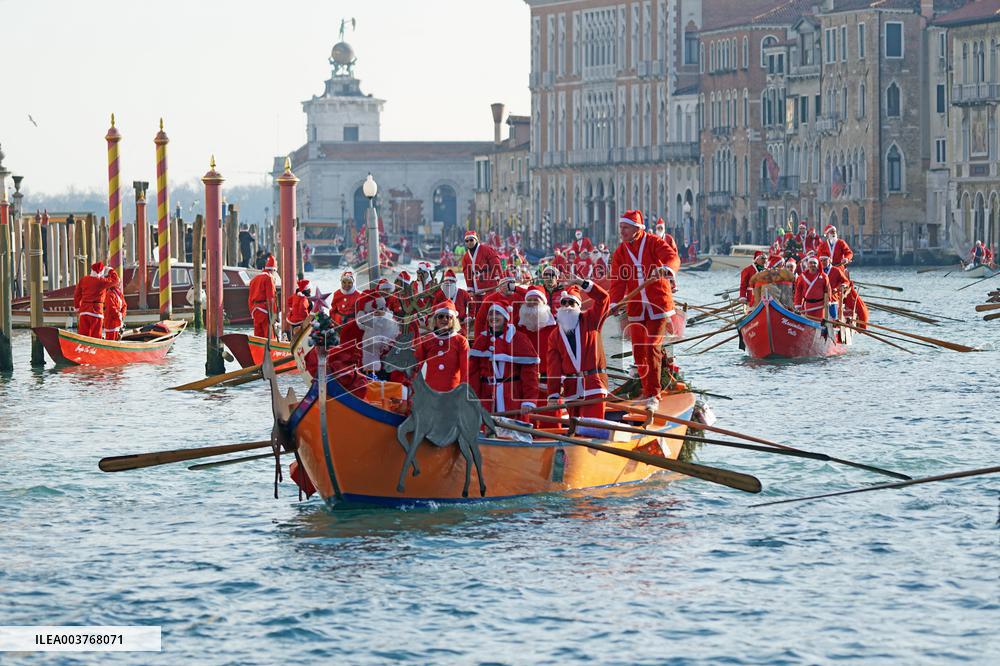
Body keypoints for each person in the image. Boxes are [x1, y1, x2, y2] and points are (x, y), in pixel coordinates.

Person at [608, 209, 681, 410]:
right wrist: (614, 302)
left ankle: (653, 394)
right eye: (620, 227)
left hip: (658, 305)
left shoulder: (653, 242)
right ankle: (648, 385)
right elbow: (617, 281)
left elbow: (672, 257)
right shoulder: (620, 252)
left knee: (651, 346)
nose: (621, 231)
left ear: (637, 228)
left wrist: (667, 269)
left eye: (625, 227)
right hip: (636, 307)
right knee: (639, 351)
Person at [546, 280, 610, 420]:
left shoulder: (591, 320)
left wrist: (582, 283)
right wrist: (553, 394)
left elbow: (603, 298)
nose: (567, 306)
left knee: (592, 426)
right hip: (572, 389)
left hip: (594, 384)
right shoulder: (555, 335)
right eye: (564, 303)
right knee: (575, 429)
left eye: (571, 302)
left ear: (579, 306)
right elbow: (553, 368)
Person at [469, 303, 539, 415]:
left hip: (512, 396)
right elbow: (473, 375)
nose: (493, 317)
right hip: (486, 398)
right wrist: (472, 400)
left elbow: (529, 375)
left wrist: (528, 400)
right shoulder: (481, 340)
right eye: (491, 314)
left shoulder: (519, 339)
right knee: (487, 425)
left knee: (512, 425)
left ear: (505, 317)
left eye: (498, 313)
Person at [414, 298, 469, 392]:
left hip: (453, 393)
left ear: (453, 320)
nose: (445, 319)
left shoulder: (461, 341)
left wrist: (463, 392)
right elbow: (416, 366)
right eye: (441, 316)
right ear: (435, 319)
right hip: (430, 392)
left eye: (449, 317)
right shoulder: (427, 340)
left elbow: (466, 371)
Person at [516, 286, 557, 392]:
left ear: (543, 303)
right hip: (524, 380)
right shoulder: (517, 326)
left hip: (549, 380)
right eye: (529, 300)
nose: (532, 303)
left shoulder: (555, 327)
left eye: (536, 300)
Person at [460, 229, 503, 319]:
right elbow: (467, 274)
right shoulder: (465, 257)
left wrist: (500, 279)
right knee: (478, 311)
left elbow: (496, 264)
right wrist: (470, 289)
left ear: (476, 240)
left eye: (471, 240)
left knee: (488, 307)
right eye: (467, 241)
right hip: (477, 288)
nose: (469, 242)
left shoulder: (487, 250)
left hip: (490, 286)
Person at [73, 262, 119, 339]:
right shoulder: (102, 281)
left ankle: (82, 346)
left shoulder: (84, 279)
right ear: (101, 272)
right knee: (96, 335)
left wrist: (77, 307)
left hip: (84, 310)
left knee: (83, 335)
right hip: (96, 311)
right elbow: (116, 280)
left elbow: (77, 294)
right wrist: (111, 270)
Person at [247, 255, 279, 338]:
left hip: (255, 310)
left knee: (258, 337)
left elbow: (250, 298)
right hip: (265, 311)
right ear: (273, 270)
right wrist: (274, 316)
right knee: (270, 337)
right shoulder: (269, 278)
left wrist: (252, 311)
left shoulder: (254, 279)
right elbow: (271, 298)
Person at [793, 256, 831, 320]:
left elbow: (828, 290)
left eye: (814, 263)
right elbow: (798, 292)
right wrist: (798, 305)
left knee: (819, 323)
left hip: (820, 306)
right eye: (810, 263)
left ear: (817, 265)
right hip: (807, 306)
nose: (812, 265)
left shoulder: (824, 276)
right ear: (808, 264)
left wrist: (828, 301)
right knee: (807, 323)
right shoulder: (802, 277)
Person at [103, 271, 127, 341]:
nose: (119, 283)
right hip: (111, 321)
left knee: (117, 339)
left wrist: (122, 315)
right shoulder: (109, 293)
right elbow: (111, 308)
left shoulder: (119, 293)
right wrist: (119, 316)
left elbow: (124, 305)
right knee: (111, 339)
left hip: (118, 321)